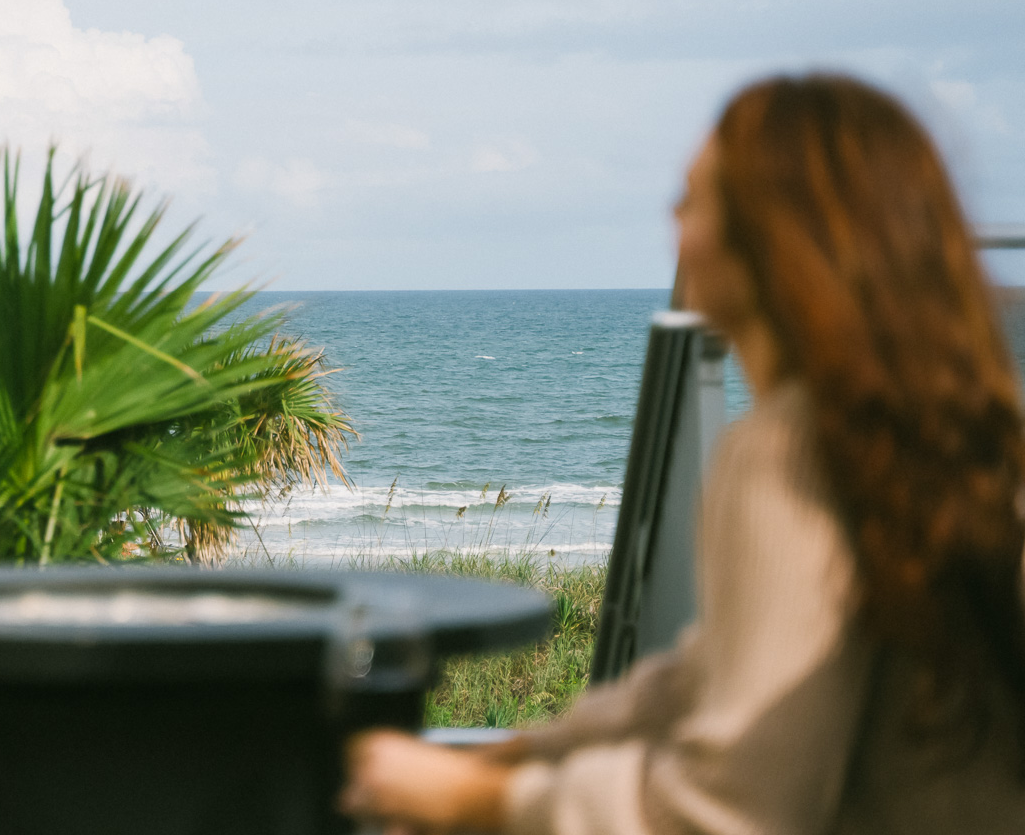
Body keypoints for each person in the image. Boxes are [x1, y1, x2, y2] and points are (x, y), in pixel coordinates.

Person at [343, 74, 1025, 833]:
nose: (671, 221)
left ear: (770, 238)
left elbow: (729, 806)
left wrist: (479, 800)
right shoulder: (962, 436)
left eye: (693, 199)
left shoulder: (790, 452)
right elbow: (707, 678)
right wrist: (520, 753)